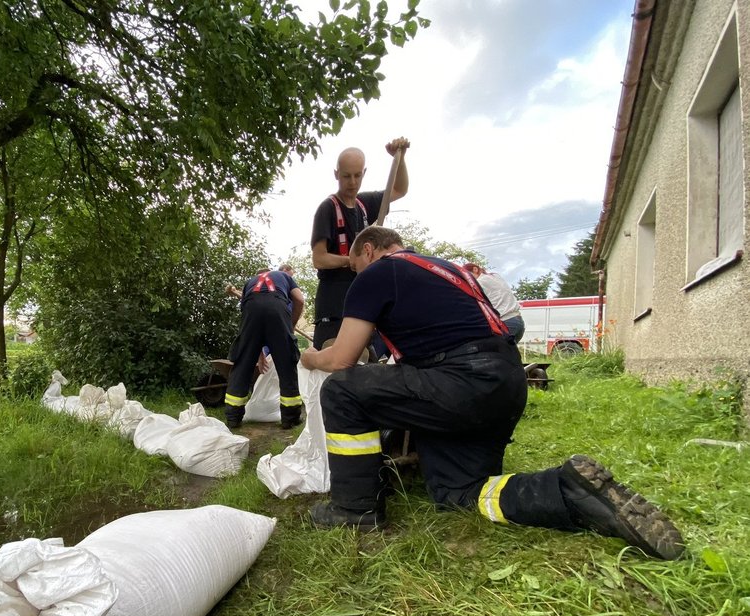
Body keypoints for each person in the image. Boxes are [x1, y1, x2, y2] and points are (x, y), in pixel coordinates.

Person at [299, 225, 684, 561]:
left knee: (341, 391)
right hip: (505, 385)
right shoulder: (449, 271)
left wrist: (314, 358)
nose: (355, 276)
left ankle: (355, 508)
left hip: (461, 382)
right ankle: (569, 492)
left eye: (354, 267)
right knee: (457, 493)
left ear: (368, 250)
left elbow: (344, 359)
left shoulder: (380, 271)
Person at [310, 138, 409, 349]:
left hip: (361, 296)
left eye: (357, 175)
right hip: (334, 301)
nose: (352, 182)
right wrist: (353, 260)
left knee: (364, 361)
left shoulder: (365, 203)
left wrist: (399, 159)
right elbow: (319, 259)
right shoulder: (327, 209)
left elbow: (400, 189)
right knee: (332, 359)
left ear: (364, 173)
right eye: (346, 176)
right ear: (336, 174)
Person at [225, 267, 306, 430]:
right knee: (286, 363)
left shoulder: (250, 282)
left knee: (243, 362)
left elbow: (253, 326)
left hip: (250, 309)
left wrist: (257, 354)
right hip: (277, 308)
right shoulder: (284, 276)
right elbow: (299, 300)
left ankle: (233, 417)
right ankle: (290, 418)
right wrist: (291, 326)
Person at [462, 262, 525, 341]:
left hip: (505, 322)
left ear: (475, 269)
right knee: (509, 352)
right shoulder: (495, 276)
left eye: (469, 275)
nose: (469, 279)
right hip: (518, 321)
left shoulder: (479, 282)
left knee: (491, 350)